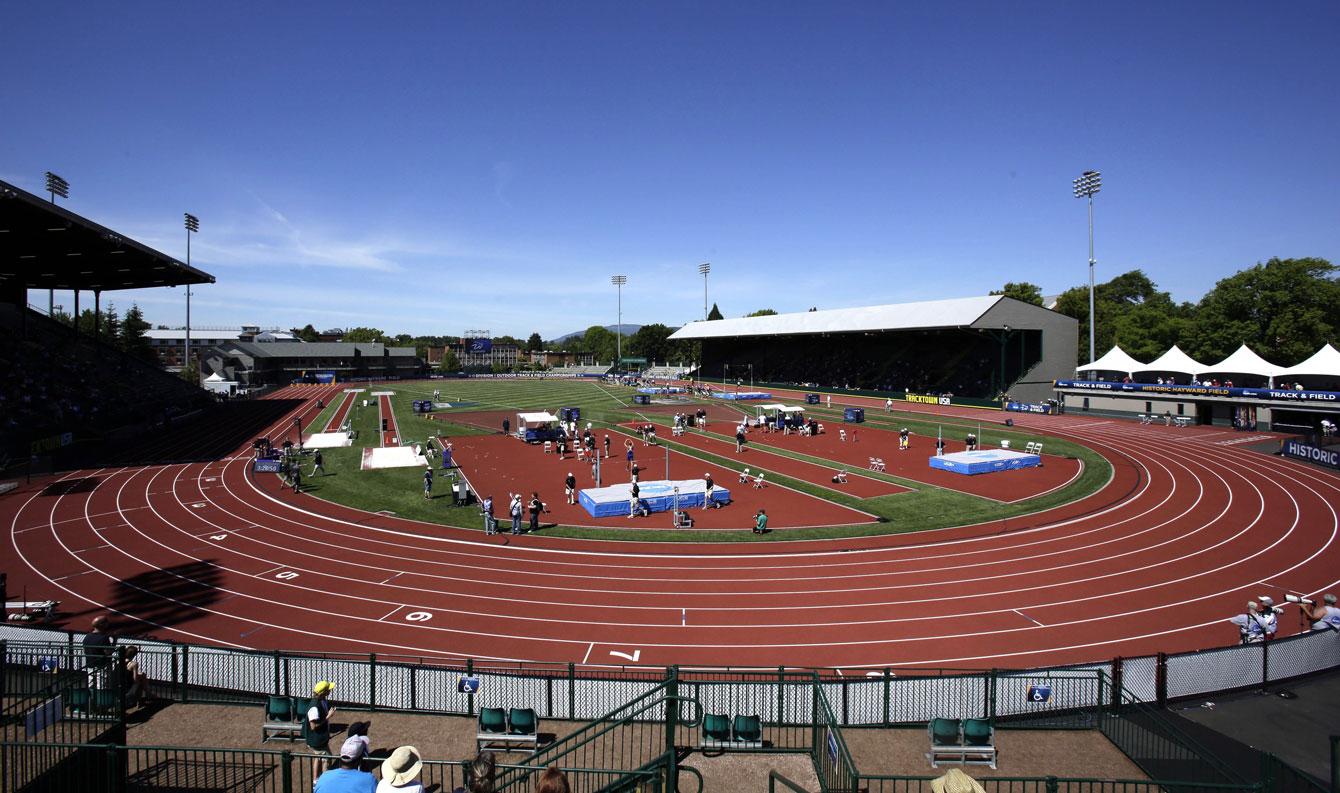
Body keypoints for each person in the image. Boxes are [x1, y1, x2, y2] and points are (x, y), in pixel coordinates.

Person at [306, 681, 336, 779]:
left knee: (318, 757)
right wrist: (328, 716)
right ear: (323, 692)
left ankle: (315, 779)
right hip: (317, 739)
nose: (330, 690)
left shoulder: (322, 700)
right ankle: (324, 781)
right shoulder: (314, 707)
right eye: (328, 689)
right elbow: (313, 726)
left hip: (320, 737)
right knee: (327, 759)